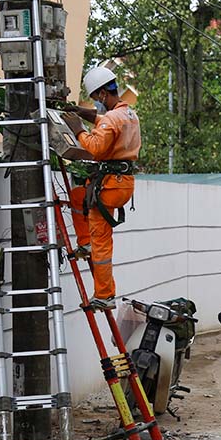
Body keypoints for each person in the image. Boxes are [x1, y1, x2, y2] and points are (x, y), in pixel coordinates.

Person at [61, 66, 140, 311]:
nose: (97, 103)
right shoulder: (128, 114)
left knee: (102, 242)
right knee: (77, 197)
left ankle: (104, 294)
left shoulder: (111, 119)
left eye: (97, 98)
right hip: (121, 183)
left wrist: (78, 130)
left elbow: (95, 146)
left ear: (104, 94)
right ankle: (85, 243)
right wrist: (78, 112)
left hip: (110, 185)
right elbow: (103, 120)